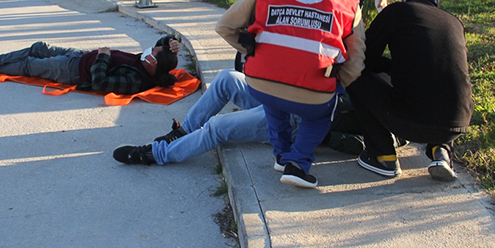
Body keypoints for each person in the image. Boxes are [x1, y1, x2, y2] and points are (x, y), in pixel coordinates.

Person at [216, 0, 365, 188]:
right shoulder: (348, 2)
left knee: (274, 100)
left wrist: (252, 52)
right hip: (313, 91)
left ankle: (281, 155)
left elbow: (224, 26)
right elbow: (357, 60)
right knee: (321, 112)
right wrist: (336, 84)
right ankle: (297, 163)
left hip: (260, 84)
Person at [346, 0, 473, 182]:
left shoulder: (397, 12)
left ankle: (383, 155)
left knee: (353, 75)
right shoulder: (454, 22)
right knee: (443, 84)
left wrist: (387, 66)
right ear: (437, 0)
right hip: (457, 122)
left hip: (411, 121)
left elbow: (362, 58)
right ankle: (441, 152)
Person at [112, 69, 366, 166]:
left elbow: (365, 143)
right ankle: (185, 131)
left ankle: (156, 155)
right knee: (226, 79)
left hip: (298, 122)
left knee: (218, 127)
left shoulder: (394, 119)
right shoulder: (377, 74)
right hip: (284, 94)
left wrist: (324, 136)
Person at [0, 36, 180, 95]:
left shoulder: (135, 80)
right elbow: (161, 43)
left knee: (30, 64)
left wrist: (103, 57)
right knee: (39, 47)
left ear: (154, 63)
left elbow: (100, 83)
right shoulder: (146, 64)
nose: (151, 49)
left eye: (155, 52)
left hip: (73, 71)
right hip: (80, 57)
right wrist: (171, 41)